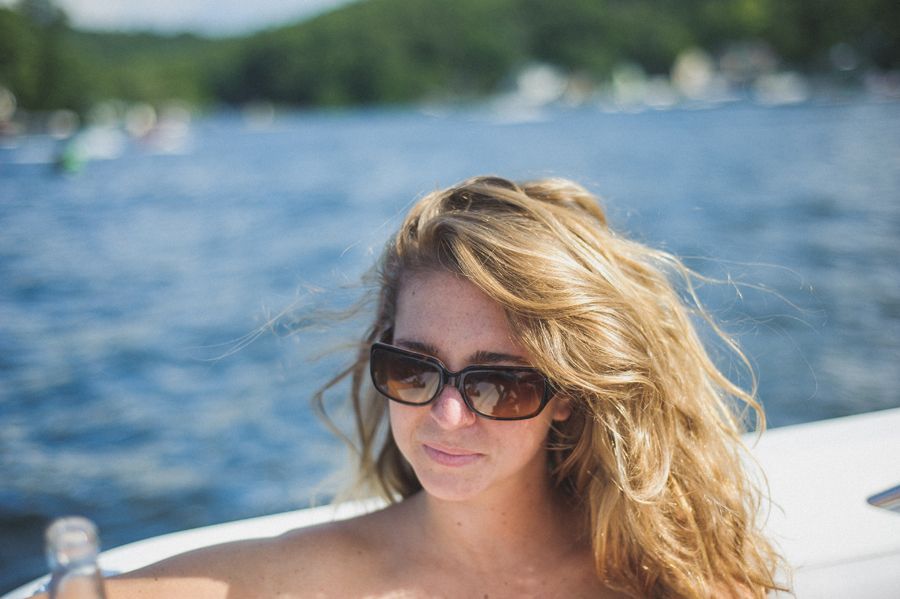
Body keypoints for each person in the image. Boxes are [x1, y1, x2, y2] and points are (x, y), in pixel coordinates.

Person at [63, 176, 786, 597]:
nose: (446, 414)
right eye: (412, 368)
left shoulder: (660, 575)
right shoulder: (315, 573)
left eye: (498, 384)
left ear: (567, 392)